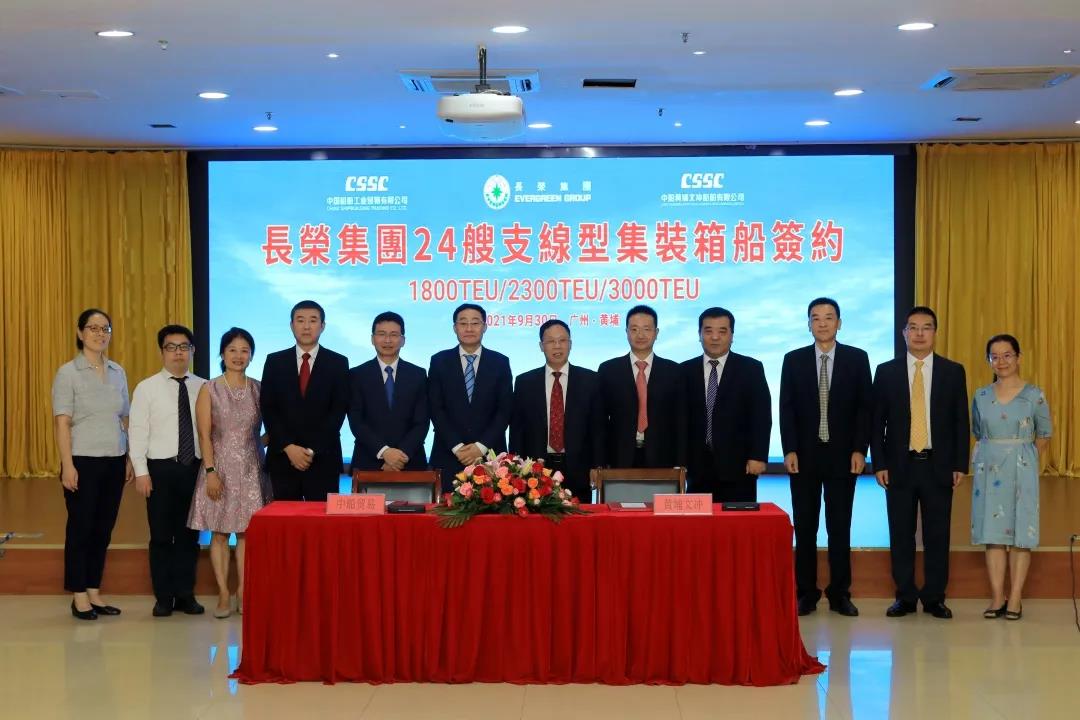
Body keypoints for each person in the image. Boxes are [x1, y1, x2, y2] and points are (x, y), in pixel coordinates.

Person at [872, 306, 969, 619]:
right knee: (900, 534)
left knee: (937, 534)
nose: (919, 333)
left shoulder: (953, 371)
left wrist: (960, 464)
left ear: (935, 333)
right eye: (913, 327)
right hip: (899, 466)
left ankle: (934, 597)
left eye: (926, 327)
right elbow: (877, 422)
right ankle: (904, 596)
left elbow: (960, 421)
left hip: (937, 465)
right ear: (903, 333)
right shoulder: (886, 372)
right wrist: (879, 463)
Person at [779, 298, 871, 617]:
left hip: (843, 456)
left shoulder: (857, 359)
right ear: (808, 324)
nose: (822, 323)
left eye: (829, 317)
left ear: (839, 323)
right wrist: (789, 449)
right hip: (804, 457)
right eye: (815, 318)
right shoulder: (793, 360)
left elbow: (864, 409)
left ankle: (839, 593)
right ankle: (806, 593)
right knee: (805, 527)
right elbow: (787, 408)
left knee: (839, 527)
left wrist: (860, 449)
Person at [51, 308, 134, 620]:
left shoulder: (117, 371)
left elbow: (124, 418)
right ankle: (78, 595)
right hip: (82, 461)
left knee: (103, 529)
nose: (100, 334)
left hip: (114, 460)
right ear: (80, 333)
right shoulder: (68, 373)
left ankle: (94, 590)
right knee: (81, 528)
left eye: (105, 328)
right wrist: (67, 465)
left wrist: (128, 456)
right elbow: (62, 422)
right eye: (93, 328)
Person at [189, 327, 272, 619]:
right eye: (232, 350)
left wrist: (254, 445)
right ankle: (224, 593)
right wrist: (211, 471)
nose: (238, 356)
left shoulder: (259, 388)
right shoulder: (209, 389)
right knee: (220, 532)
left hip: (252, 470)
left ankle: (244, 591)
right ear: (222, 354)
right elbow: (204, 434)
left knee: (248, 534)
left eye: (244, 351)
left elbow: (272, 428)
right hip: (219, 469)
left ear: (251, 355)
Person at [971, 334, 1051, 621]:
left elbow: (1044, 434)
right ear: (988, 361)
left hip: (1022, 469)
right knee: (992, 536)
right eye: (995, 356)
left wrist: (1024, 458)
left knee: (1020, 535)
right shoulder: (981, 396)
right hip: (988, 469)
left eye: (1007, 355)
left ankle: (1015, 597)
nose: (1001, 361)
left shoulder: (1034, 395)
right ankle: (997, 596)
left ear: (1018, 357)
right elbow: (977, 431)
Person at [129, 325, 206, 618]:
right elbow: (138, 432)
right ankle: (163, 597)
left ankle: (185, 594)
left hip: (194, 468)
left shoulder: (204, 386)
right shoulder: (146, 388)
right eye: (171, 347)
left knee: (189, 536)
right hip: (159, 468)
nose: (178, 353)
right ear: (162, 351)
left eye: (184, 347)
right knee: (161, 535)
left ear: (192, 351)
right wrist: (141, 471)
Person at [260, 300, 349, 501]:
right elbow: (268, 408)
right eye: (300, 320)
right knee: (284, 519)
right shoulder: (275, 362)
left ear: (322, 326)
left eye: (313, 320)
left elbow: (338, 411)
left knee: (321, 519)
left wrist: (310, 450)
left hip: (323, 459)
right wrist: (289, 447)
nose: (306, 326)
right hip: (283, 458)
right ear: (292, 325)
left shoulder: (338, 362)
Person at [681, 306, 771, 502]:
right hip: (696, 467)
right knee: (699, 520)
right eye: (708, 331)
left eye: (722, 331)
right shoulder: (684, 371)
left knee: (738, 519)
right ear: (699, 334)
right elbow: (679, 419)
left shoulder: (751, 369)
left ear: (732, 335)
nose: (715, 337)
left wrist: (758, 455)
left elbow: (761, 416)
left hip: (740, 466)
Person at [510, 319, 604, 503]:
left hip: (579, 467)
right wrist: (516, 468)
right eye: (551, 341)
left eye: (562, 340)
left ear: (570, 344)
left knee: (578, 517)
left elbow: (598, 428)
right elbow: (517, 431)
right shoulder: (524, 382)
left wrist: (597, 466)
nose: (557, 346)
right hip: (535, 469)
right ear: (541, 346)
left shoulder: (590, 380)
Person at [428, 303, 512, 493]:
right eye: (463, 323)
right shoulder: (439, 361)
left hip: (490, 457)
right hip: (448, 455)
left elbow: (504, 410)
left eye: (475, 323)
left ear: (485, 327)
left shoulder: (500, 362)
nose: (469, 328)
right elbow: (435, 408)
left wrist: (480, 447)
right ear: (454, 328)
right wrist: (457, 447)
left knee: (493, 510)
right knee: (446, 510)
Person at [598, 305, 685, 469]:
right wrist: (600, 462)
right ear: (626, 332)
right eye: (634, 329)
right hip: (618, 457)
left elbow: (680, 420)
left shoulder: (674, 371)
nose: (640, 335)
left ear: (656, 333)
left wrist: (680, 462)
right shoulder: (608, 370)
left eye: (647, 329)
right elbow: (600, 421)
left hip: (663, 457)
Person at [347, 312, 429, 472]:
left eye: (394, 335)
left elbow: (422, 421)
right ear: (372, 339)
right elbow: (356, 420)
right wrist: (384, 452)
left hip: (410, 462)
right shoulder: (357, 375)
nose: (387, 340)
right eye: (381, 334)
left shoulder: (418, 374)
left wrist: (400, 456)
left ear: (403, 340)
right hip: (368, 462)